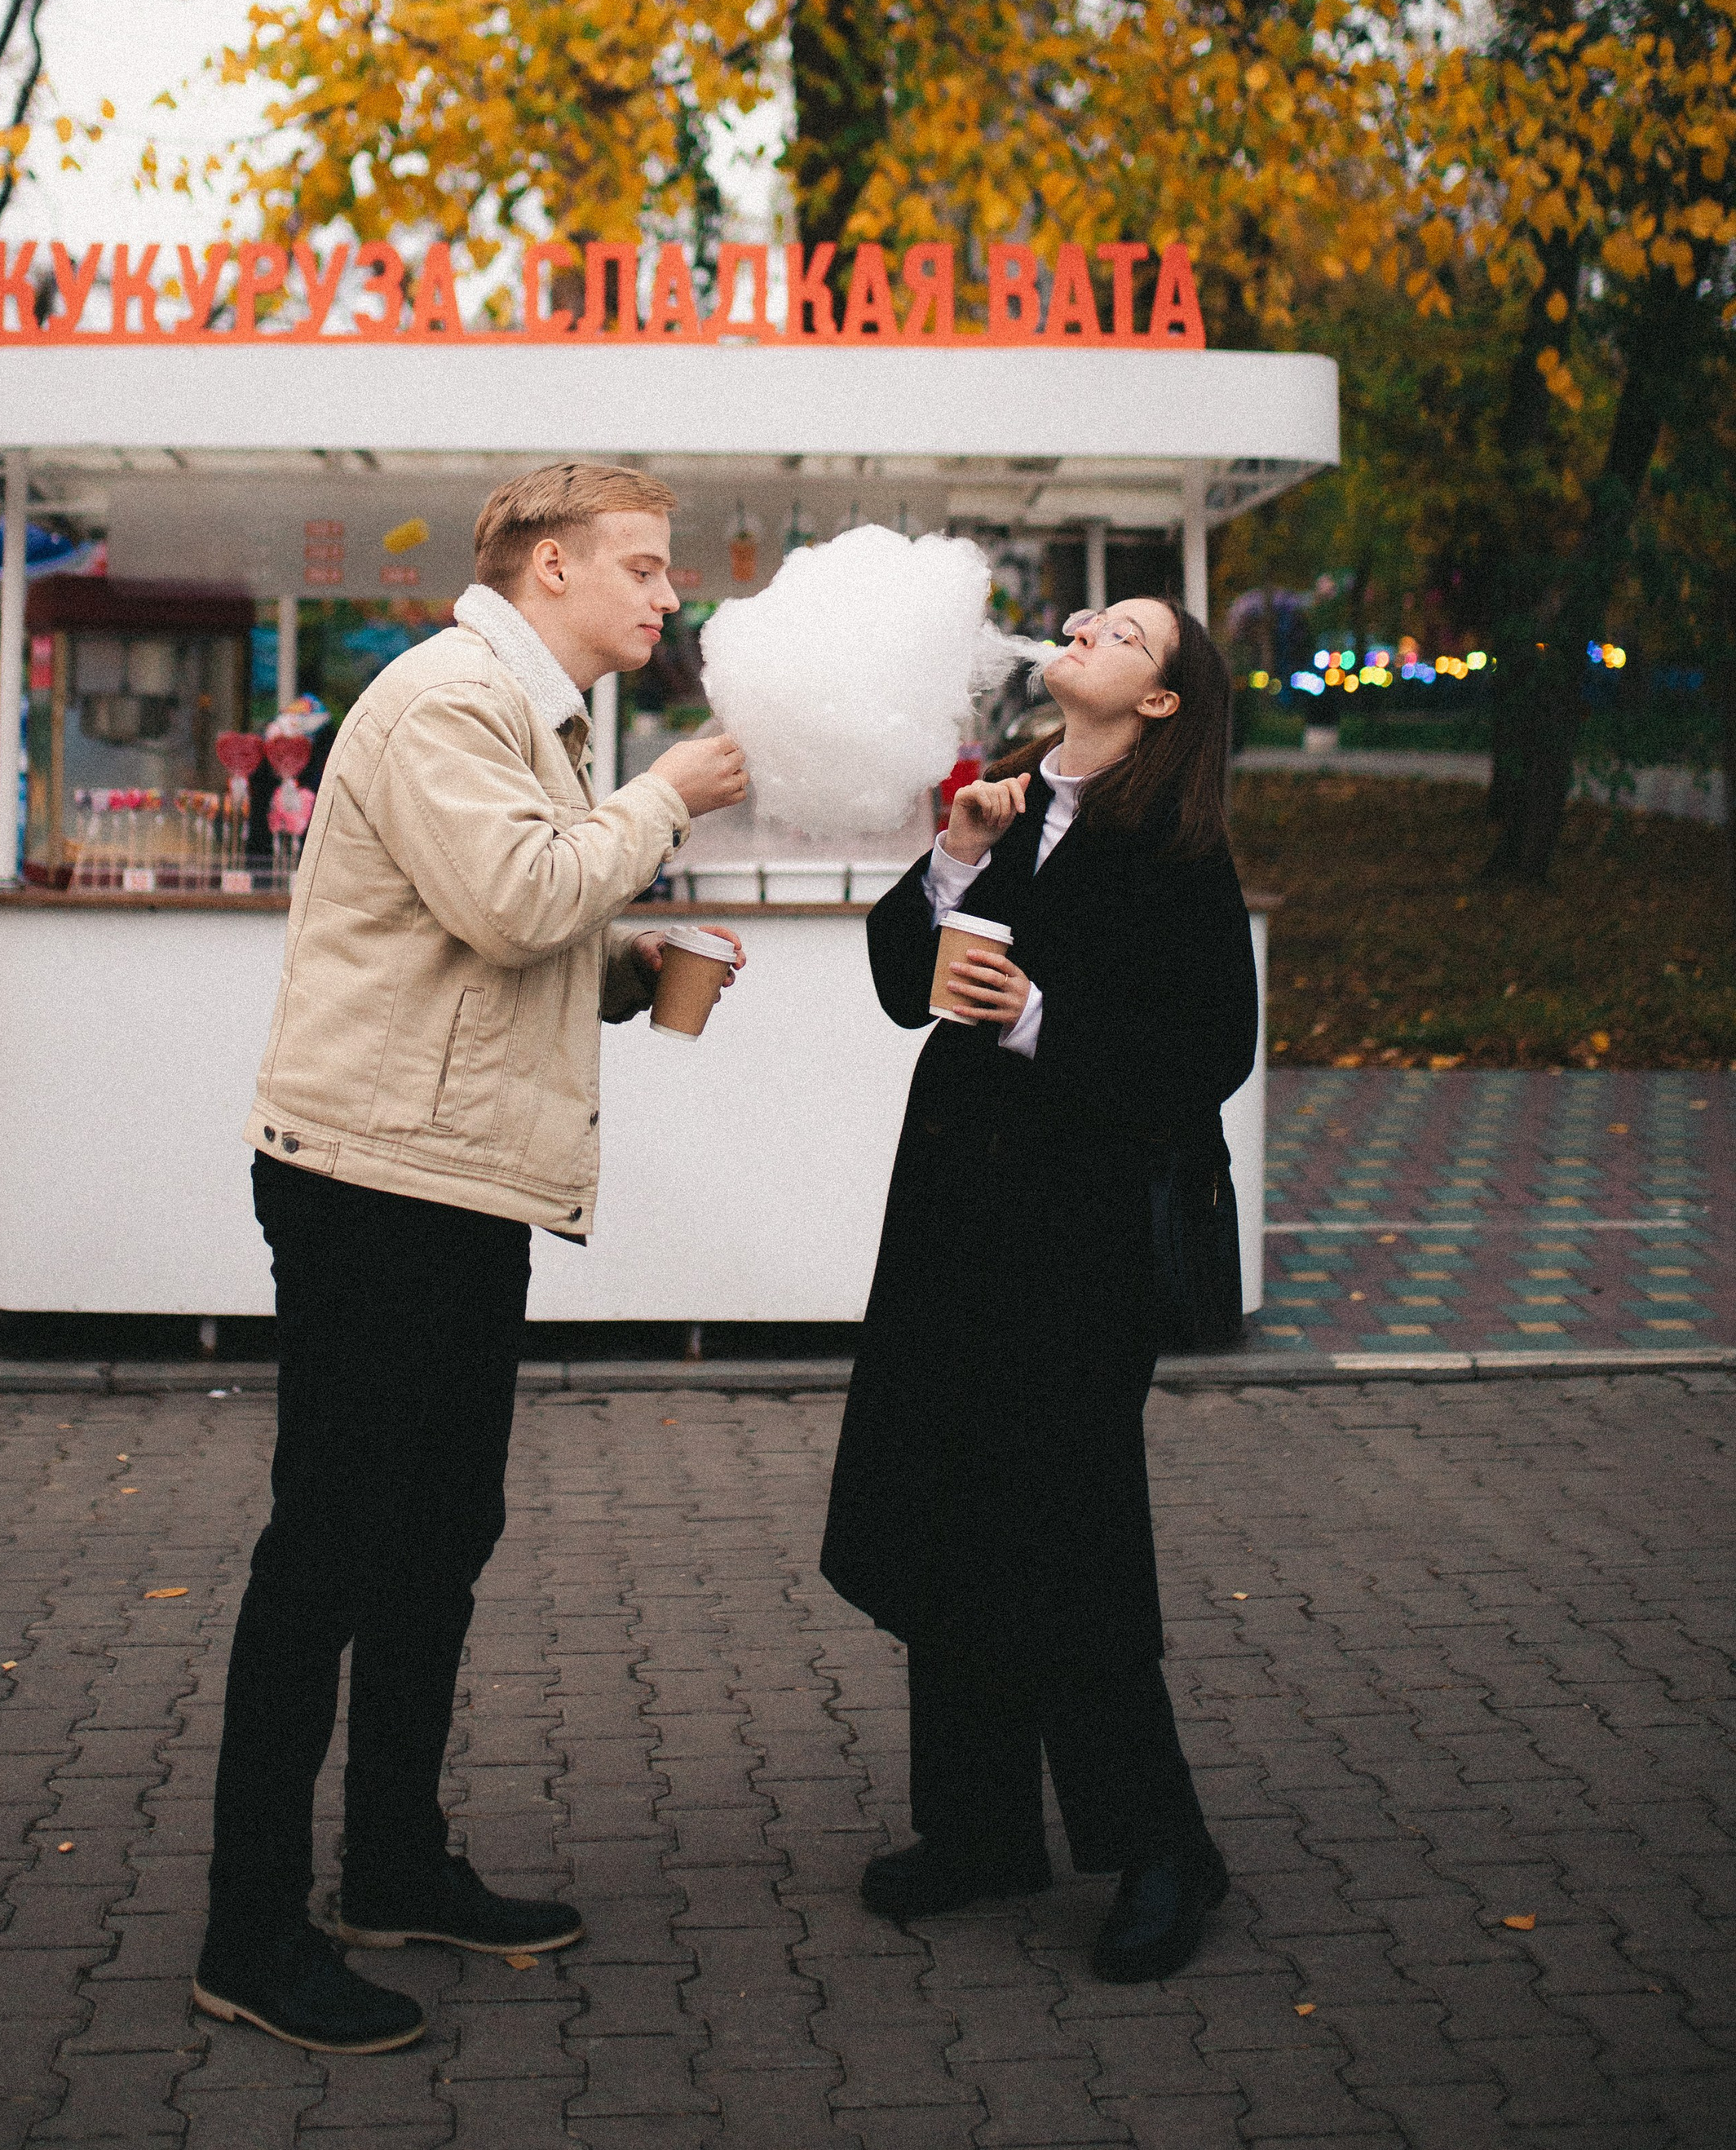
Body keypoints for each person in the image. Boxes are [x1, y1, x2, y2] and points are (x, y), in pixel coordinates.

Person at [195, 462, 748, 2055]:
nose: (663, 596)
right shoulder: (446, 698)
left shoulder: (534, 718)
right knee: (329, 1550)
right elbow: (512, 900)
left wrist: (633, 975)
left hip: (448, 1183)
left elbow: (501, 933)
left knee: (436, 1531)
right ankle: (249, 1933)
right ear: (551, 567)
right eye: (641, 568)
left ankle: (390, 1866)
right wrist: (663, 803)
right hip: (371, 1185)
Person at [819, 595, 1257, 1981]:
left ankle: (1163, 1847)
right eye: (1087, 616)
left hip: (1075, 1251)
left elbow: (1210, 1051)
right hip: (955, 1230)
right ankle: (980, 1829)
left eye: (1125, 632)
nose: (1083, 626)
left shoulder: (1174, 845)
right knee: (951, 1508)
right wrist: (948, 863)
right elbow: (903, 980)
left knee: (1071, 1541)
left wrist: (1037, 1021)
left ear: (1164, 704)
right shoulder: (1002, 808)